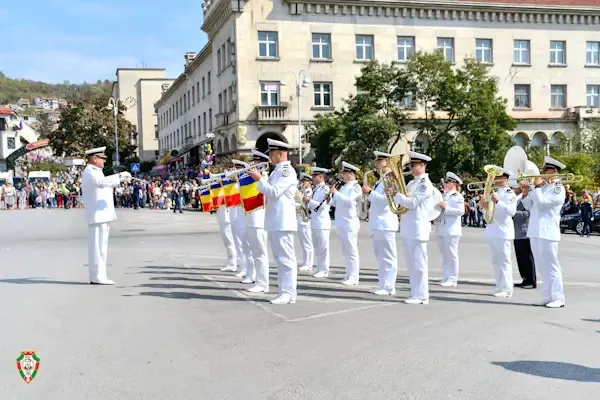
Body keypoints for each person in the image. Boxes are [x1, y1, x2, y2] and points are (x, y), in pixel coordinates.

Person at [248, 138, 298, 305]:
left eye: (272, 153)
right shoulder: (277, 171)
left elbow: (274, 192)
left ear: (280, 154)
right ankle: (286, 291)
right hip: (276, 219)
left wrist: (259, 179)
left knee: (286, 259)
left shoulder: (286, 172)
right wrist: (261, 179)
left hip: (283, 220)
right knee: (280, 258)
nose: (269, 156)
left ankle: (288, 292)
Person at [386, 151, 435, 305]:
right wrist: (393, 194)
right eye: (412, 165)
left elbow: (412, 203)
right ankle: (415, 293)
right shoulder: (412, 183)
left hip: (417, 228)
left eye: (415, 165)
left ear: (423, 166)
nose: (412, 168)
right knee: (412, 263)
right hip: (408, 227)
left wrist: (396, 195)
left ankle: (422, 295)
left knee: (419, 264)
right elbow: (403, 201)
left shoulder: (424, 185)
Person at [81, 147, 131, 285]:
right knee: (98, 247)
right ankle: (97, 276)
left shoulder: (96, 172)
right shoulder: (91, 172)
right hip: (98, 215)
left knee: (101, 246)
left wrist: (120, 179)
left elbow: (104, 183)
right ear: (94, 159)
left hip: (101, 214)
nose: (104, 161)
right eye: (102, 159)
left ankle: (98, 275)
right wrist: (120, 176)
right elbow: (101, 183)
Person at [521, 156, 566, 308]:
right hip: (535, 230)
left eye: (545, 170)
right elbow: (528, 206)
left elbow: (542, 204)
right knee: (541, 266)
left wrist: (537, 188)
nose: (542, 173)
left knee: (551, 265)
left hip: (548, 231)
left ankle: (558, 297)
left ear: (554, 171)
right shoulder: (542, 188)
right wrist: (526, 192)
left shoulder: (558, 189)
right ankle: (548, 296)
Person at [362, 151, 398, 295]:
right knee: (380, 256)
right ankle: (382, 284)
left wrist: (370, 192)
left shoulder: (391, 179)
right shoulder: (381, 180)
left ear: (386, 163)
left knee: (388, 256)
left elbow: (386, 201)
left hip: (386, 222)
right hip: (378, 223)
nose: (376, 164)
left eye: (379, 161)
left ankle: (390, 286)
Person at [481, 167, 517, 298]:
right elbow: (489, 213)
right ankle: (499, 285)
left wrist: (498, 201)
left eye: (496, 176)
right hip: (492, 229)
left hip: (503, 231)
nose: (493, 179)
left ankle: (507, 289)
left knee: (504, 261)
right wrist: (483, 206)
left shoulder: (509, 193)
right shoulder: (494, 192)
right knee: (496, 261)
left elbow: (511, 211)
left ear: (504, 178)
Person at [330, 161, 362, 285]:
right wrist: (330, 200)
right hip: (341, 222)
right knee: (346, 250)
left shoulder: (355, 187)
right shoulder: (344, 186)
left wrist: (336, 194)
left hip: (349, 222)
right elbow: (338, 203)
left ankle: (354, 277)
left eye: (344, 173)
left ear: (350, 174)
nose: (342, 175)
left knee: (352, 250)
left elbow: (350, 202)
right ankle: (348, 274)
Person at [433, 172, 465, 287]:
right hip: (441, 227)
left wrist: (446, 208)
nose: (445, 184)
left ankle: (452, 279)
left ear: (454, 184)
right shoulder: (445, 195)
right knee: (444, 254)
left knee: (451, 254)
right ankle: (446, 277)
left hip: (452, 229)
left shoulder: (458, 196)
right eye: (445, 182)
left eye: (447, 182)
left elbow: (461, 212)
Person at [246, 149, 271, 293]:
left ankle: (263, 283)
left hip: (259, 219)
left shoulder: (265, 178)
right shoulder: (253, 179)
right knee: (255, 252)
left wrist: (259, 178)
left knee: (261, 252)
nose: (252, 165)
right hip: (251, 219)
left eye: (255, 162)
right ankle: (259, 280)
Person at [306, 167, 331, 278]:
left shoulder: (325, 189)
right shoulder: (316, 189)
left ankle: (324, 269)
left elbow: (321, 206)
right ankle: (319, 267)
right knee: (317, 247)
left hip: (322, 222)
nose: (312, 178)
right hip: (315, 221)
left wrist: (308, 200)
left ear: (321, 177)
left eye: (315, 176)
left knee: (323, 247)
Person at [513, 179, 536, 289]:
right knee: (520, 257)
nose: (515, 188)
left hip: (524, 231)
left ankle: (531, 280)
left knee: (526, 257)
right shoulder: (518, 199)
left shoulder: (530, 198)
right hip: (517, 231)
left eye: (517, 186)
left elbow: (528, 213)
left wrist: (512, 213)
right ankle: (525, 278)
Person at [213, 172, 237, 273]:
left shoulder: (229, 189)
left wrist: (223, 183)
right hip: (222, 216)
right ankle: (231, 262)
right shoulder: (223, 189)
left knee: (230, 242)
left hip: (227, 217)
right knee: (227, 242)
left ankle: (232, 264)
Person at [296, 173, 314, 273]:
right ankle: (305, 262)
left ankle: (309, 264)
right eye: (302, 181)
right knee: (303, 243)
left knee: (307, 242)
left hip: (306, 219)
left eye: (304, 181)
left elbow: (307, 205)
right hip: (299, 218)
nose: (302, 183)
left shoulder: (310, 192)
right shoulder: (300, 191)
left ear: (309, 182)